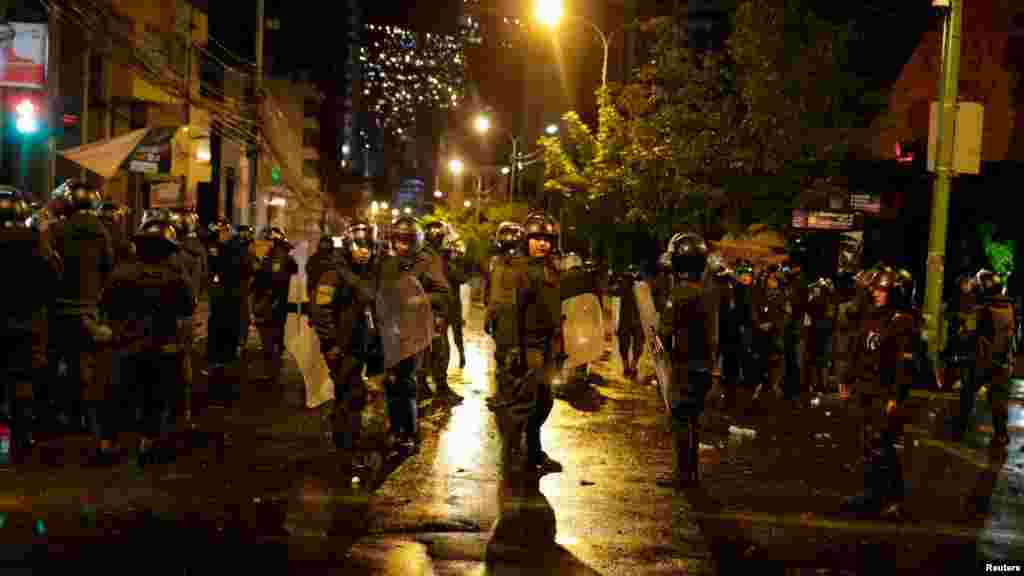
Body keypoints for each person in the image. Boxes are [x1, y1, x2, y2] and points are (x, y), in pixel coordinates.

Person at [487, 212, 605, 473]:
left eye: (548, 239)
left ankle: (534, 452)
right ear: (527, 239)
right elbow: (508, 312)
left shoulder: (551, 268)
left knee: (544, 402)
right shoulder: (517, 270)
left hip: (548, 346)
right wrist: (513, 349)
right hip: (527, 346)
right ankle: (511, 456)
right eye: (537, 238)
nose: (543, 244)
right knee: (521, 405)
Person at [101, 218, 193, 466]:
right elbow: (187, 307)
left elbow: (106, 305)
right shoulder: (175, 278)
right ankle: (147, 442)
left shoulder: (120, 273)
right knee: (153, 397)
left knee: (117, 394)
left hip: (124, 344)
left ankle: (108, 443)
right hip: (159, 346)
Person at [842, 267, 917, 516]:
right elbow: (858, 348)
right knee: (867, 442)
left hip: (883, 390)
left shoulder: (902, 321)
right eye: (874, 288)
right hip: (865, 386)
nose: (876, 293)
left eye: (882, 289)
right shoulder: (871, 315)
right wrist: (846, 377)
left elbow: (903, 364)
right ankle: (872, 493)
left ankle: (893, 497)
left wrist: (896, 396)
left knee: (881, 443)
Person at [311, 220, 379, 469]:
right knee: (353, 396)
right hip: (341, 347)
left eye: (368, 246)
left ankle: (342, 446)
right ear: (349, 245)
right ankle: (349, 452)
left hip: (359, 346)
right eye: (360, 246)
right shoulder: (334, 273)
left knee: (346, 396)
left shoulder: (367, 274)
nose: (364, 251)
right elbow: (321, 310)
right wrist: (330, 344)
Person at [48, 179, 114, 435]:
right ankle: (86, 418)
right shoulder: (102, 230)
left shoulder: (56, 231)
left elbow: (48, 267)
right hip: (89, 309)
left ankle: (58, 417)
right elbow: (108, 267)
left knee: (56, 364)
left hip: (59, 309)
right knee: (85, 367)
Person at [379, 216, 449, 452]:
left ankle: (409, 432)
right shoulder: (388, 263)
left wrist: (419, 300)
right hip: (390, 330)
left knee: (408, 383)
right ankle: (395, 427)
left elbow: (442, 293)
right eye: (398, 240)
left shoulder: (426, 263)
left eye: (407, 241)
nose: (402, 246)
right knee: (391, 382)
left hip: (415, 332)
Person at [0, 187, 59, 460]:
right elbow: (53, 276)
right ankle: (23, 438)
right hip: (28, 321)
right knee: (23, 380)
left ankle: (2, 444)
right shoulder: (35, 241)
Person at [655, 233, 715, 487]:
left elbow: (664, 334)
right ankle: (691, 473)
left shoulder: (679, 293)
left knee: (680, 420)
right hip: (703, 365)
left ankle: (682, 474)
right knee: (692, 420)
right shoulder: (706, 291)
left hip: (683, 365)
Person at [251, 227, 298, 389]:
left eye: (267, 240)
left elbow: (274, 279)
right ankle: (272, 367)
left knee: (269, 334)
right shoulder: (274, 255)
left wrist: (266, 299)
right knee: (274, 333)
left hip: (272, 301)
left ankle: (271, 370)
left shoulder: (277, 256)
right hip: (275, 301)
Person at [973, 270, 1015, 447]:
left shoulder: (987, 310)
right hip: (1005, 359)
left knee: (995, 399)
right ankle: (1001, 433)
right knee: (998, 399)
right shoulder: (1009, 306)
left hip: (992, 360)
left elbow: (982, 338)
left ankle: (1001, 435)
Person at [615, 264, 645, 378]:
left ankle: (631, 366)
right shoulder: (624, 283)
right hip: (628, 319)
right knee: (625, 344)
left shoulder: (641, 284)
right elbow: (614, 291)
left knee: (636, 345)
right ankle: (628, 366)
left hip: (635, 320)